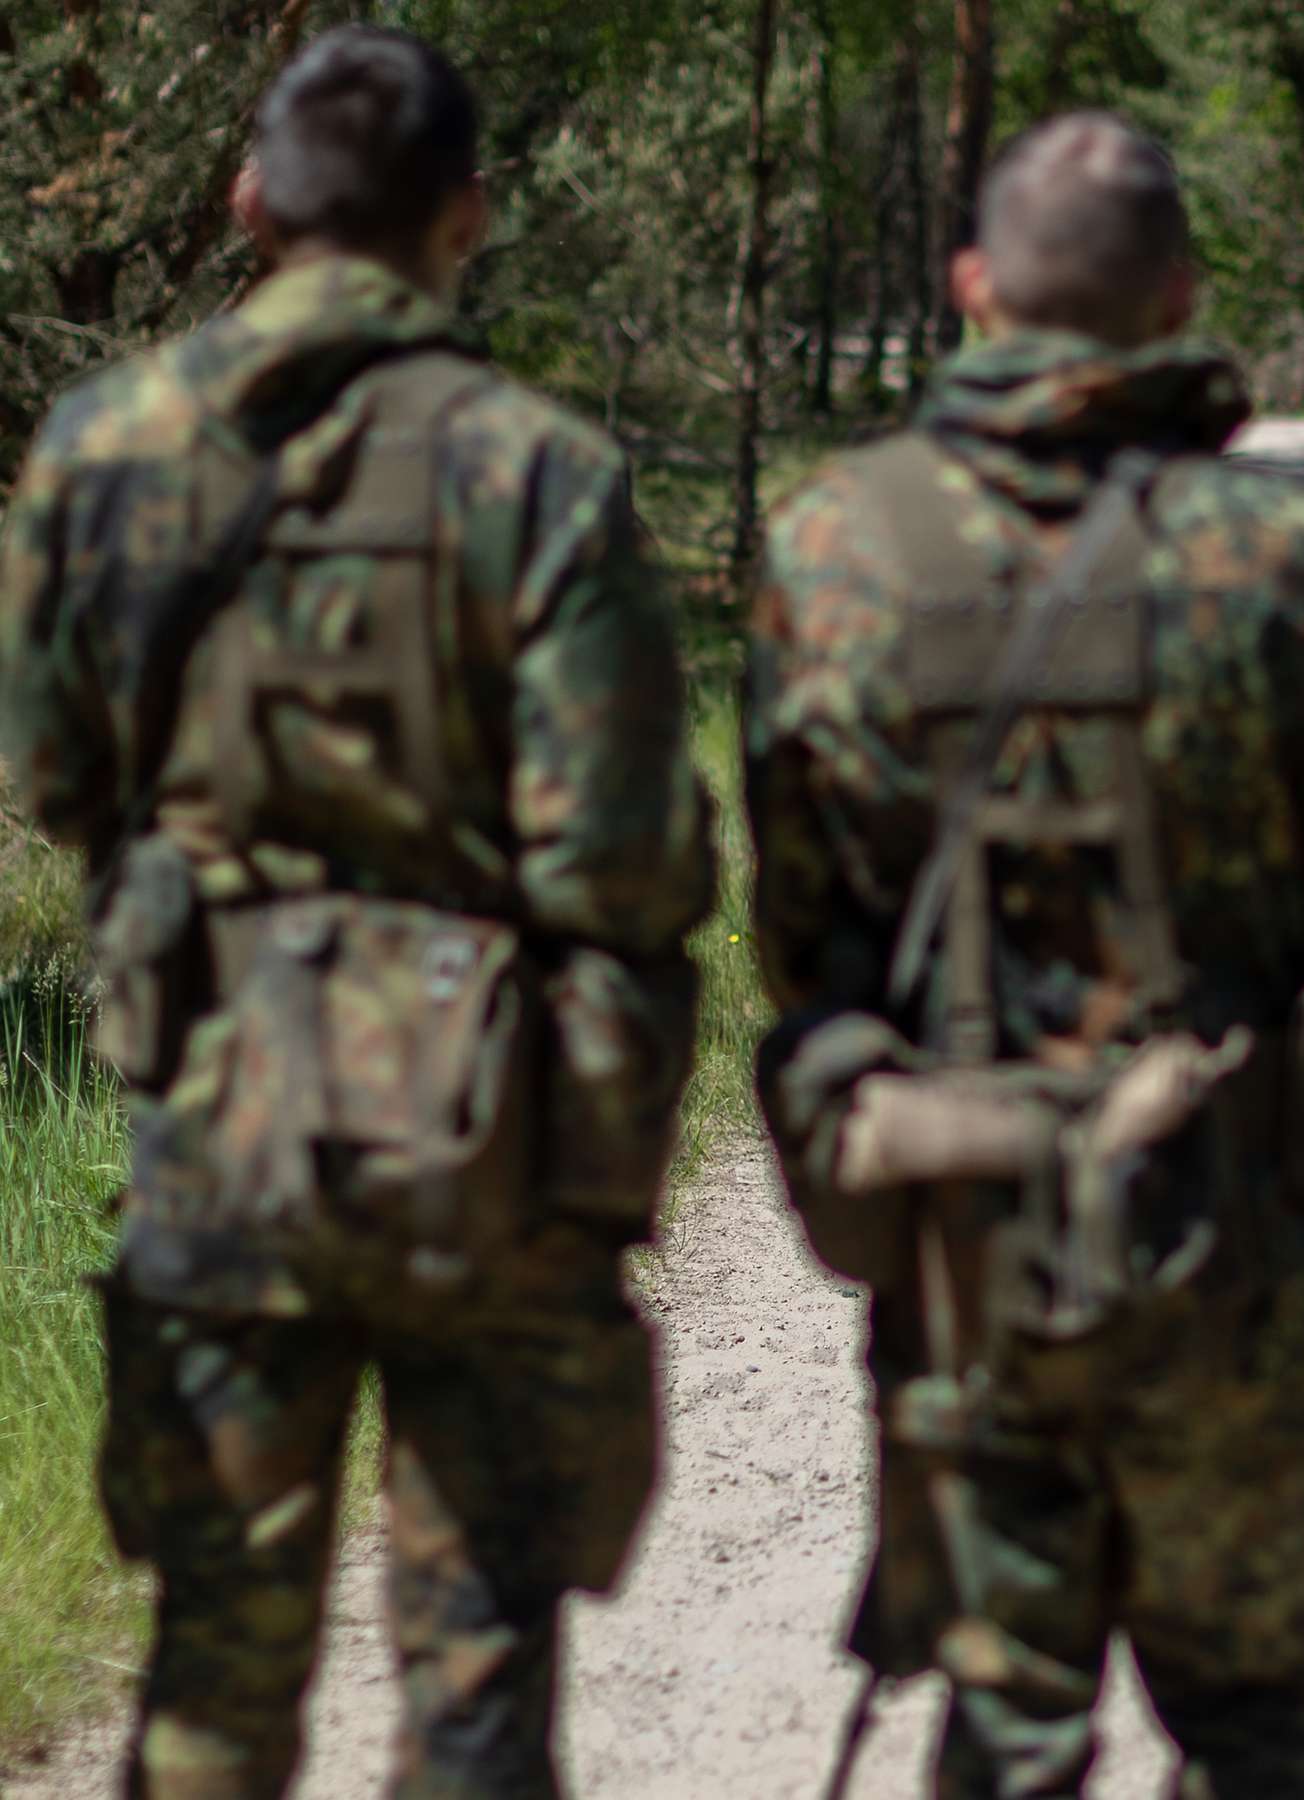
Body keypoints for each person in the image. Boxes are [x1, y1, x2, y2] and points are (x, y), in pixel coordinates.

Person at [0, 26, 714, 1798]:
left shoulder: (105, 452)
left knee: (211, 1684)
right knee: (476, 1704)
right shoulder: (536, 470)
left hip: (222, 1138)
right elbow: (621, 863)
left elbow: (50, 781)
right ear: (467, 214)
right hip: (484, 1154)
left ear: (246, 202)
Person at [743, 112, 1304, 1797]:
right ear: (1180, 296)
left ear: (974, 283)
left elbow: (803, 945)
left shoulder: (835, 551)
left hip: (975, 1275)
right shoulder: (1283, 569)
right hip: (1232, 1257)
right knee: (1259, 1720)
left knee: (1011, 1718)